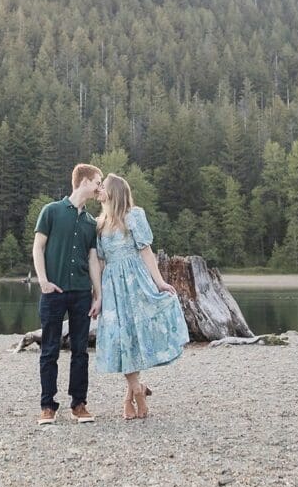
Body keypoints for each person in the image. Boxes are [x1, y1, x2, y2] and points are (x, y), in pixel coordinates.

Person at [95, 173, 189, 419]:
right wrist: (99, 294)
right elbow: (101, 262)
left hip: (135, 282)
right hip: (112, 286)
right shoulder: (100, 223)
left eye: (102, 187)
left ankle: (131, 395)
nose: (99, 190)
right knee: (121, 338)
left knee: (134, 337)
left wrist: (159, 283)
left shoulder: (134, 216)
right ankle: (137, 390)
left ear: (114, 192)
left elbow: (146, 252)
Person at [32, 163, 103, 425]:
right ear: (84, 181)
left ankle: (79, 404)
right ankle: (47, 406)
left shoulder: (90, 223)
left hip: (82, 293)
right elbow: (38, 248)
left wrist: (98, 294)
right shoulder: (51, 211)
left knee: (80, 351)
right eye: (98, 181)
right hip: (53, 292)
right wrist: (43, 281)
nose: (100, 187)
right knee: (49, 350)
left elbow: (93, 259)